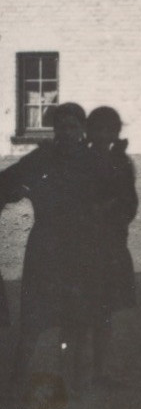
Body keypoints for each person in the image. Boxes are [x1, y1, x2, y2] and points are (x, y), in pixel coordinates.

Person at [0, 102, 102, 391]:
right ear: (55, 130)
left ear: (82, 129)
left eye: (73, 126)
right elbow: (6, 183)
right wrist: (17, 191)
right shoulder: (43, 157)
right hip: (46, 248)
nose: (67, 132)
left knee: (77, 316)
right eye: (61, 127)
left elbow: (112, 201)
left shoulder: (93, 160)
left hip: (82, 249)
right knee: (33, 316)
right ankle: (17, 380)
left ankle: (73, 384)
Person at [87, 107, 138, 385]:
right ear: (90, 132)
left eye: (109, 130)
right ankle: (75, 370)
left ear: (116, 132)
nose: (103, 135)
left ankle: (99, 369)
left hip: (110, 243)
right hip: (80, 243)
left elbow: (130, 203)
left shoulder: (122, 163)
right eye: (98, 129)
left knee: (104, 310)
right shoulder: (79, 160)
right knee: (79, 309)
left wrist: (112, 213)